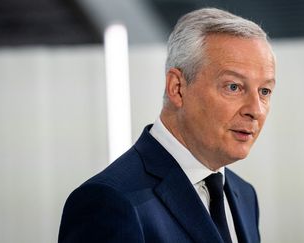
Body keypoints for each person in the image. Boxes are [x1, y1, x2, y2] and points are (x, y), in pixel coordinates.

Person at [58, 7, 275, 243]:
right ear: (177, 88)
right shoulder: (107, 201)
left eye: (264, 91)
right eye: (233, 87)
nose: (256, 110)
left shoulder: (244, 195)